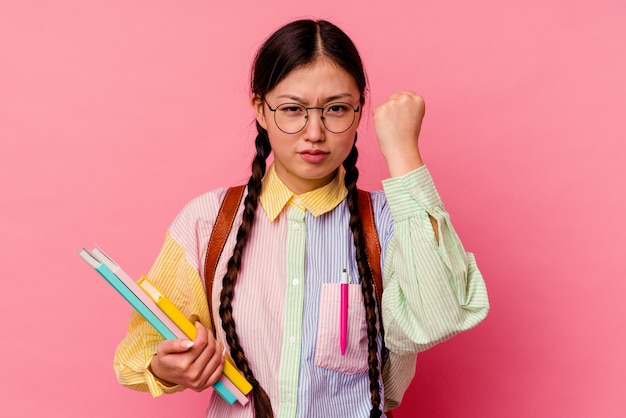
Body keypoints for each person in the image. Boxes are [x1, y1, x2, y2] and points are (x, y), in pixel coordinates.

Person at [114, 19, 489, 418]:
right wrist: (166, 366)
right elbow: (138, 350)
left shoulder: (390, 224)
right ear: (260, 108)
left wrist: (403, 154)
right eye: (292, 109)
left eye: (337, 109)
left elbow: (436, 318)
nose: (314, 132)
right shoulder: (208, 222)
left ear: (360, 110)